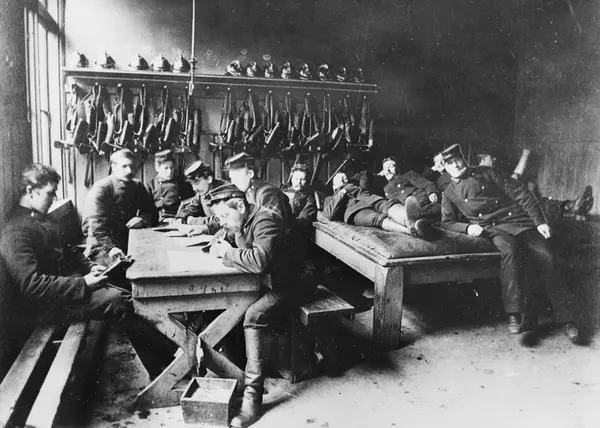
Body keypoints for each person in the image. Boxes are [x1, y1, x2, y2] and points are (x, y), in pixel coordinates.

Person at [0, 164, 173, 377]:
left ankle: (166, 360)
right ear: (30, 191)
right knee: (120, 302)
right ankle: (165, 368)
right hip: (46, 307)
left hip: (65, 292)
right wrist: (84, 283)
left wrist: (91, 267)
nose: (53, 198)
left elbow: (70, 250)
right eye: (49, 193)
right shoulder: (15, 231)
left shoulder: (41, 219)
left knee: (126, 293)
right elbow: (32, 285)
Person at [439, 144, 581, 342]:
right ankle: (514, 314)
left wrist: (539, 222)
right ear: (445, 168)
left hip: (518, 221)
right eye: (450, 163)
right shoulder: (448, 193)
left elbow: (521, 193)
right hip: (494, 230)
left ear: (464, 159)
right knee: (510, 252)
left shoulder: (488, 172)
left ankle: (567, 319)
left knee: (547, 256)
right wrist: (467, 228)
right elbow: (446, 223)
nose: (455, 165)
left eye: (457, 160)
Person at [206, 183, 315, 428]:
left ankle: (252, 399)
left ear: (240, 206)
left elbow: (258, 261)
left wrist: (228, 254)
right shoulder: (243, 220)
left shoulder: (265, 220)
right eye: (220, 217)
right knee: (232, 300)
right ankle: (236, 370)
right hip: (272, 282)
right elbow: (235, 243)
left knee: (253, 315)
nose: (222, 222)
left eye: (225, 216)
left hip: (295, 283)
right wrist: (221, 243)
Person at [83, 149, 158, 265]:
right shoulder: (101, 188)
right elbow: (94, 226)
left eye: (132, 166)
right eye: (124, 166)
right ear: (113, 167)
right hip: (101, 246)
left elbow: (152, 212)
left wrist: (143, 219)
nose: (130, 171)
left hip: (127, 241)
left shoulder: (137, 186)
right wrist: (111, 248)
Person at [323, 171, 436, 240]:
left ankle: (411, 221)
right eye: (341, 179)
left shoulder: (357, 187)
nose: (345, 179)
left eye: (346, 177)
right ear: (334, 186)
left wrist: (351, 182)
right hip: (355, 211)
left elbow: (364, 174)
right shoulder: (330, 198)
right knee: (377, 219)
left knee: (389, 205)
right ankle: (410, 230)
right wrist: (342, 191)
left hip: (370, 198)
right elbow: (329, 214)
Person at [224, 152, 296, 230]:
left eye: (236, 177)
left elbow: (268, 228)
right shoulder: (246, 192)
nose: (233, 182)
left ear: (250, 174)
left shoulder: (267, 193)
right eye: (231, 178)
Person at [174, 160, 228, 235]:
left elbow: (220, 220)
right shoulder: (203, 192)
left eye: (197, 183)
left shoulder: (224, 191)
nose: (194, 188)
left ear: (209, 179)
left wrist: (193, 221)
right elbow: (191, 208)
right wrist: (180, 218)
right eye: (192, 184)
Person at [145, 149, 193, 221]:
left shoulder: (181, 184)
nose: (170, 171)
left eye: (172, 167)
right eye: (166, 168)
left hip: (176, 219)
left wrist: (180, 218)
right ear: (157, 168)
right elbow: (147, 209)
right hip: (156, 220)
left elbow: (189, 204)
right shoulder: (150, 185)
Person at [279, 163, 318, 231]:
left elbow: (303, 219)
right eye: (296, 179)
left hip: (294, 231)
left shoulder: (309, 198)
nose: (299, 182)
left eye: (302, 179)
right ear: (292, 179)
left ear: (307, 180)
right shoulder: (282, 191)